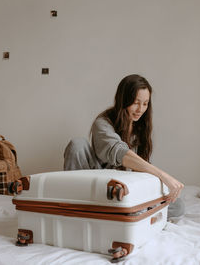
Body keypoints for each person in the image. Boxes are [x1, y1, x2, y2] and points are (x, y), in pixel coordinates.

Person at [64, 74, 184, 218]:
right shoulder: (102, 123)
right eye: (135, 102)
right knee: (78, 144)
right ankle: (79, 207)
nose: (140, 109)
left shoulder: (142, 128)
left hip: (124, 187)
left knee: (178, 206)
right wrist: (164, 176)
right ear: (124, 100)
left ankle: (123, 210)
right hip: (96, 185)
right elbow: (119, 152)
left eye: (145, 104)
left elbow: (141, 169)